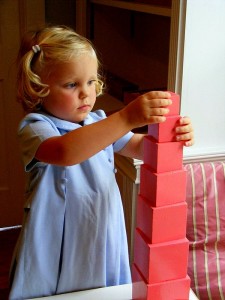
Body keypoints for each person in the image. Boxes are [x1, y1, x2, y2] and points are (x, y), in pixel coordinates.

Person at [9, 25, 194, 299]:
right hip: (56, 240)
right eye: (71, 84)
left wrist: (172, 137)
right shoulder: (36, 126)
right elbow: (64, 153)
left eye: (91, 82)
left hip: (100, 231)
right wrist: (125, 118)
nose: (86, 93)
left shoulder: (99, 122)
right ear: (39, 88)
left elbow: (140, 147)